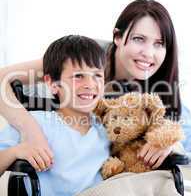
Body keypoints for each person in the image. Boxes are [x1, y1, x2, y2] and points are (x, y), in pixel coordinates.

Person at [0, 0, 181, 172]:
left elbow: (172, 128)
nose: (148, 53)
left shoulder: (157, 84)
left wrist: (168, 142)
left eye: (159, 43)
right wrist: (31, 131)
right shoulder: (86, 57)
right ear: (117, 36)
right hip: (46, 135)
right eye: (139, 39)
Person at [0, 35, 110, 195]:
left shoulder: (108, 128)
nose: (90, 84)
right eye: (78, 76)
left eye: (97, 75)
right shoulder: (37, 123)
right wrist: (15, 152)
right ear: (52, 84)